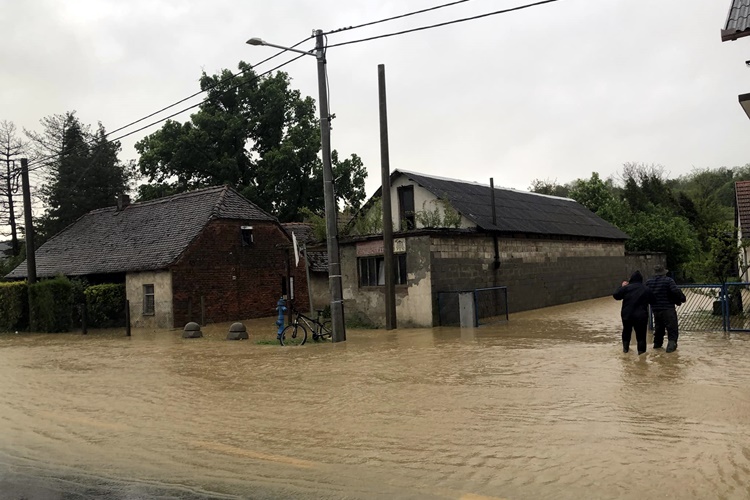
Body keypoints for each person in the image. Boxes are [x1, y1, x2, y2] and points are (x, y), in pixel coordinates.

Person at [645, 264, 686, 353]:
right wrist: (681, 298)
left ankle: (657, 348)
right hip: (668, 309)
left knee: (659, 330)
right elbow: (675, 291)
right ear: (664, 272)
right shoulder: (668, 280)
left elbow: (646, 294)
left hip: (656, 310)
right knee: (672, 330)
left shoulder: (649, 282)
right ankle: (670, 351)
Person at [613, 270, 655, 354]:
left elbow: (616, 295)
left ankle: (625, 350)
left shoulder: (626, 288)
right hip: (641, 316)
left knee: (626, 332)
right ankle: (641, 354)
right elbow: (653, 301)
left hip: (627, 315)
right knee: (641, 336)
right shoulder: (646, 289)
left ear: (631, 279)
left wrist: (622, 286)